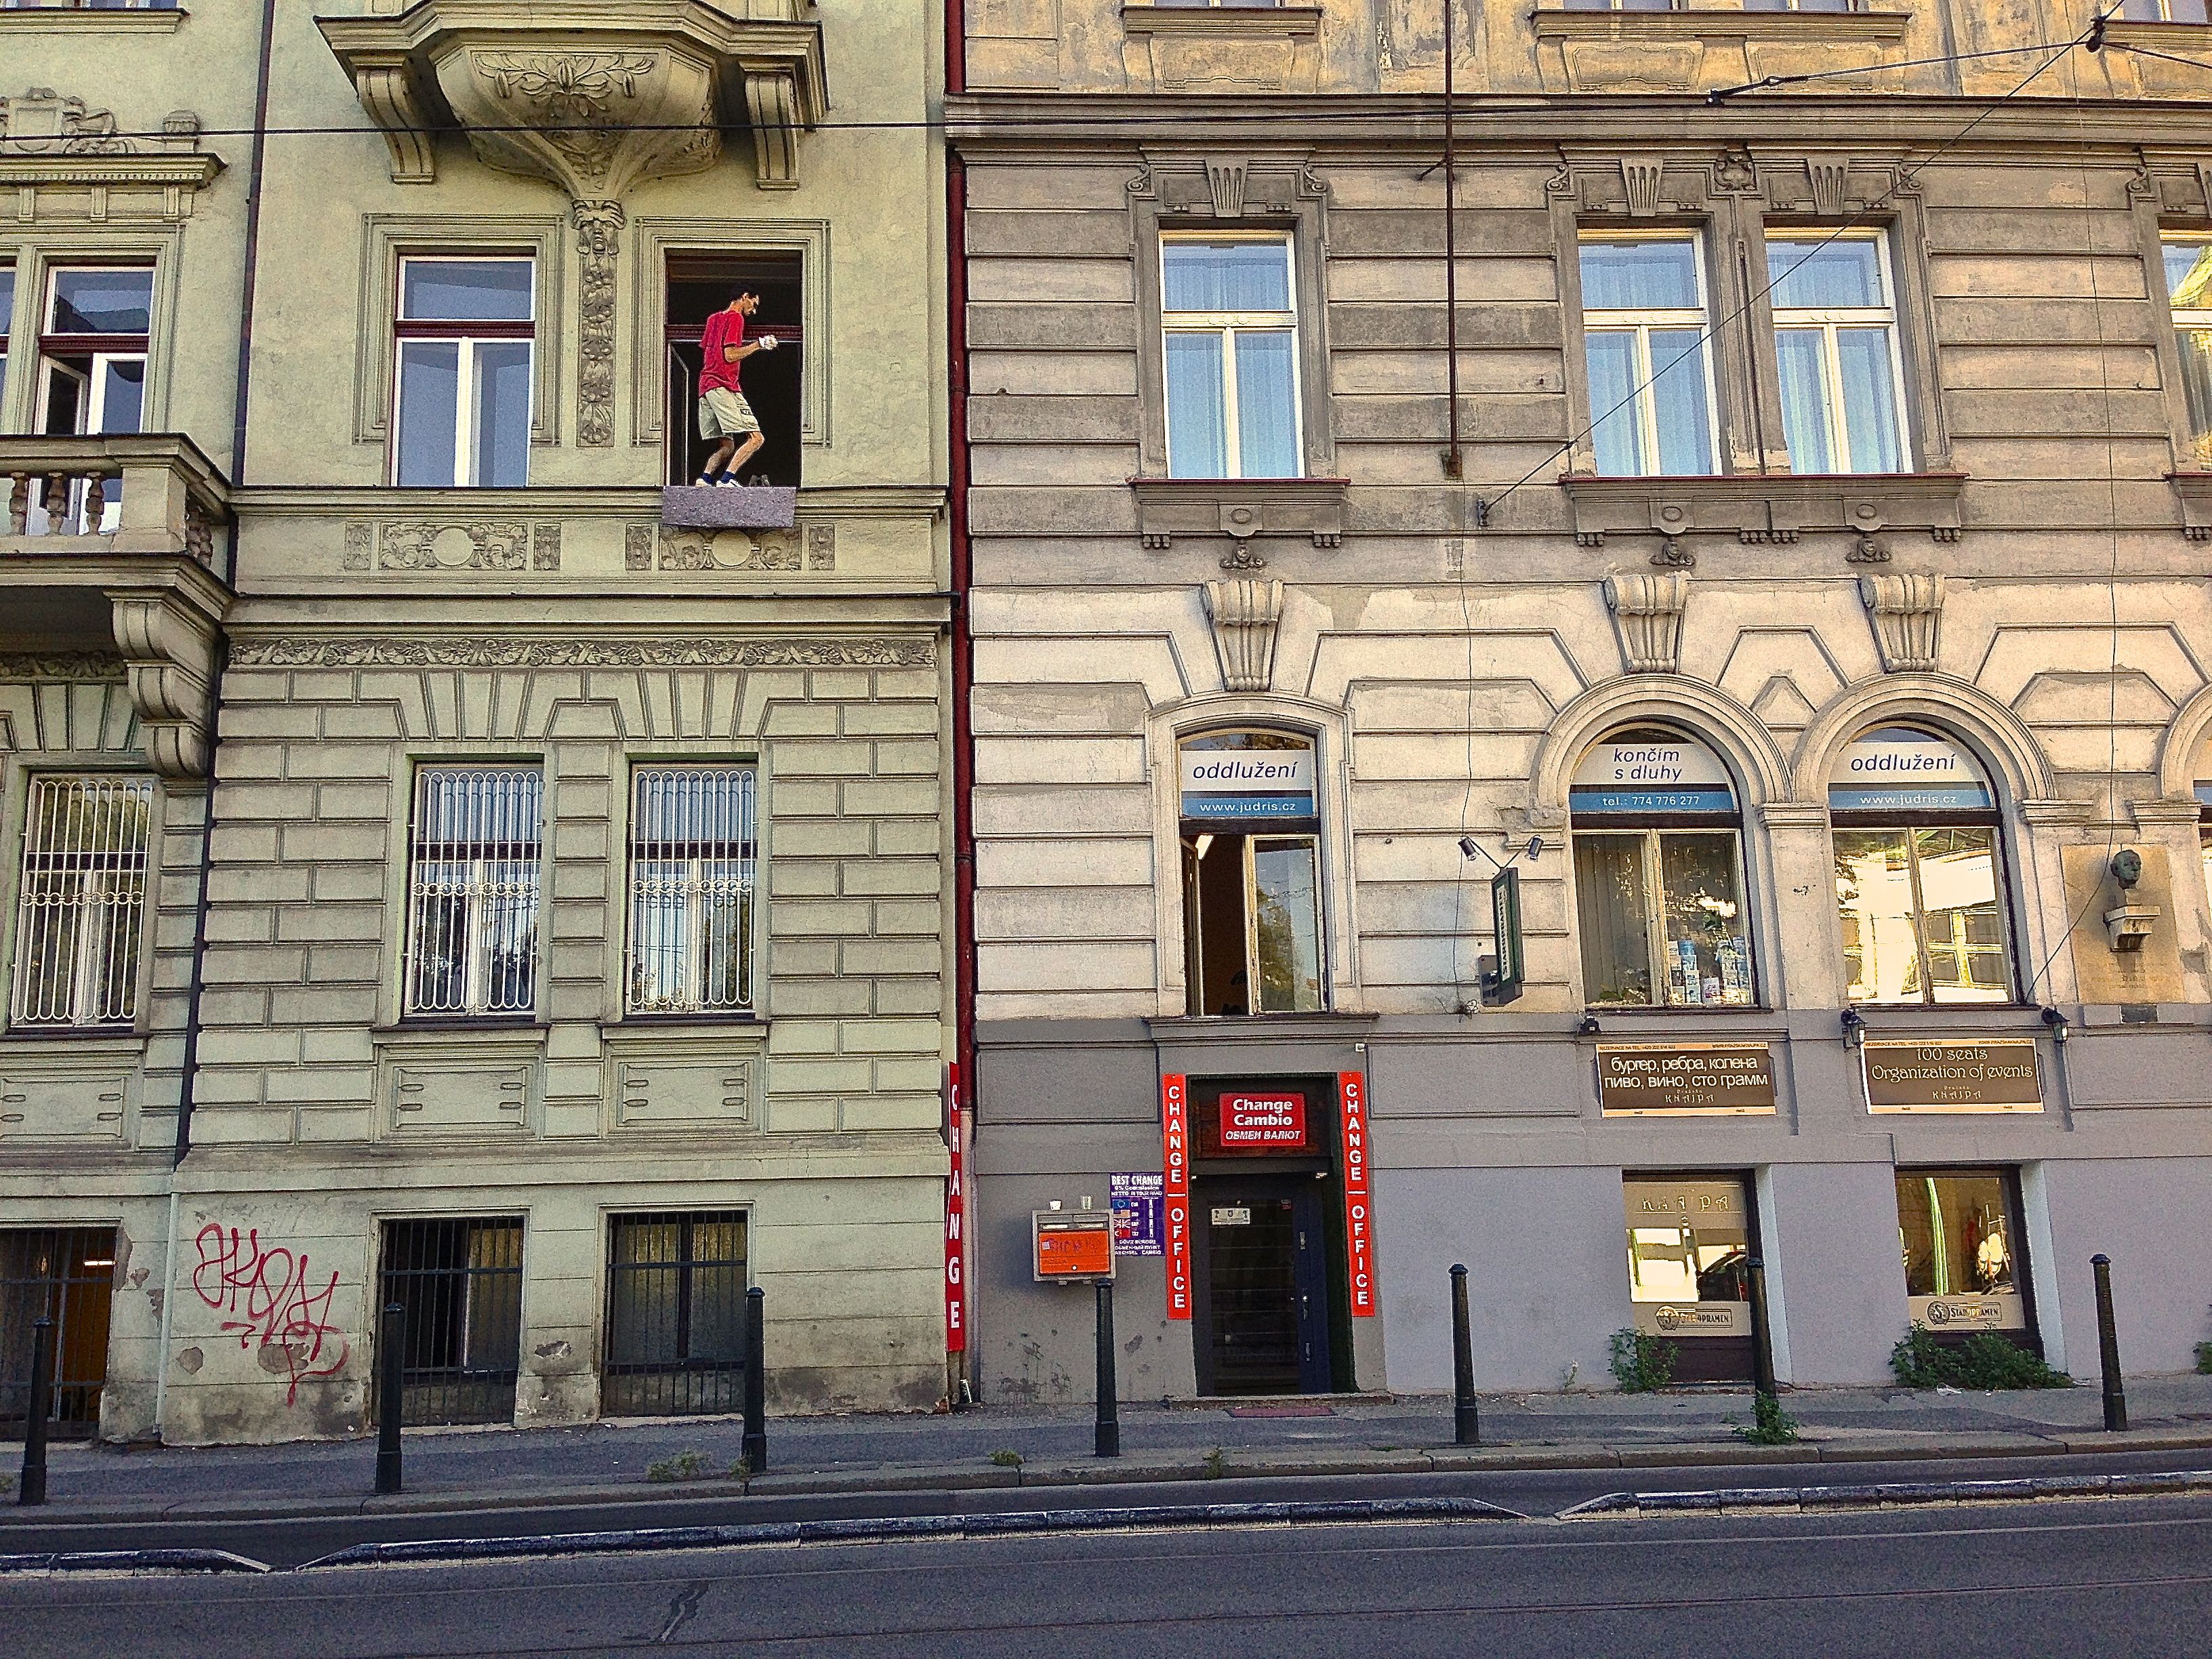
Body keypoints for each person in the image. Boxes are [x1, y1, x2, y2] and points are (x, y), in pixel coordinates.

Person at [694, 289, 779, 487]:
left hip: (706, 387)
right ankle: (727, 479)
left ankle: (705, 479)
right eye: (754, 304)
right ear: (745, 296)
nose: (754, 311)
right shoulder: (736, 318)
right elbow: (730, 355)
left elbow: (709, 353)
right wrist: (759, 345)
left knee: (727, 446)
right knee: (756, 438)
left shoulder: (713, 319)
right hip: (724, 385)